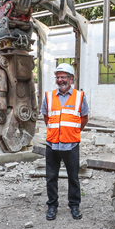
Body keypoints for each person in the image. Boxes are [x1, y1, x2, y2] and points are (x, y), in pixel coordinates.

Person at [40, 63, 89, 220]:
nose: (60, 80)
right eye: (58, 77)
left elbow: (84, 118)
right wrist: (56, 132)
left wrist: (73, 132)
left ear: (71, 78)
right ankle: (52, 206)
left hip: (71, 144)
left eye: (63, 77)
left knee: (73, 177)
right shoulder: (48, 96)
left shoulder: (79, 96)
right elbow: (46, 117)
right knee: (51, 177)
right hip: (52, 144)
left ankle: (74, 206)